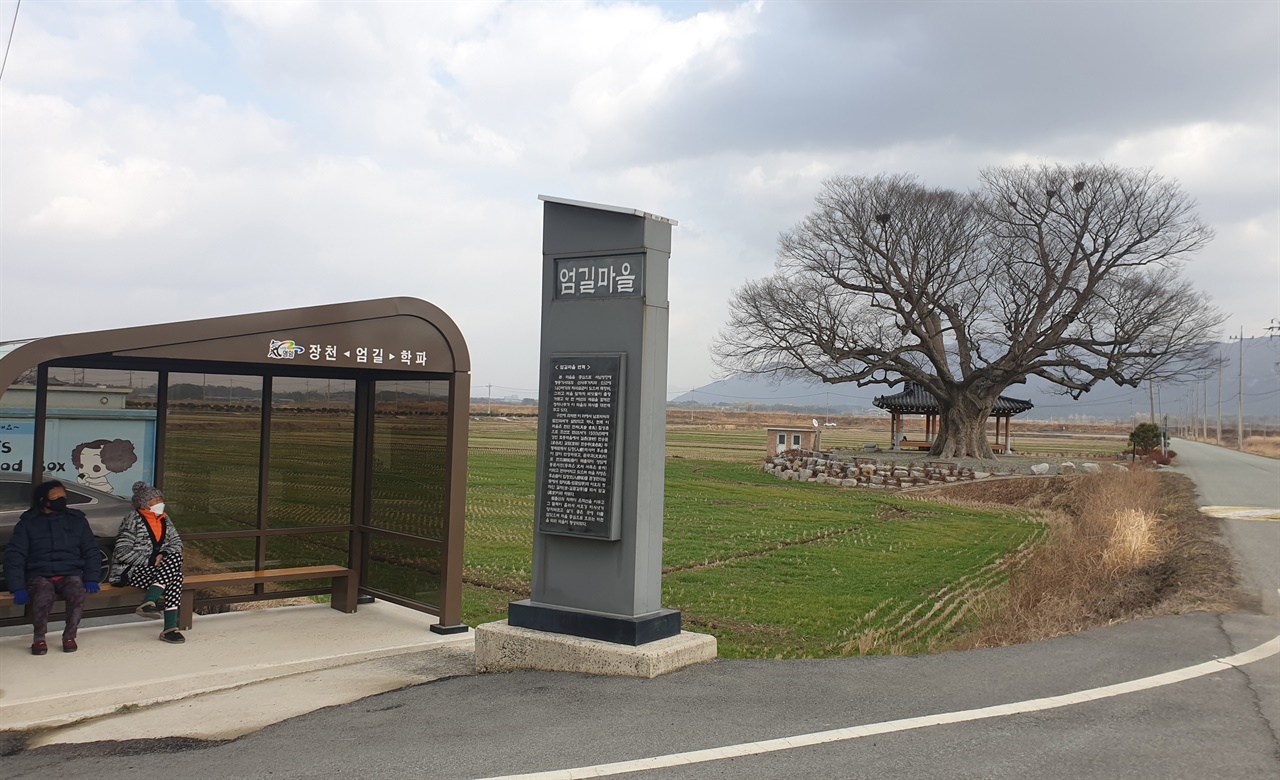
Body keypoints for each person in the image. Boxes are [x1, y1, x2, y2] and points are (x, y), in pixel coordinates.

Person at [4, 480, 103, 655]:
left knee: (77, 592)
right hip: (39, 574)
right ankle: (39, 638)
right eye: (56, 497)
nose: (61, 500)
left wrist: (92, 577)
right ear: (43, 500)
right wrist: (17, 587)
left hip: (69, 572)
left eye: (64, 497)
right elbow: (15, 556)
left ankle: (69, 636)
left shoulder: (76, 520)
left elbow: (91, 551)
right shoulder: (28, 523)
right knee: (43, 594)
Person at [108, 481, 186, 644]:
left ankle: (149, 601)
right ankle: (170, 628)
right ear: (144, 503)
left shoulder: (164, 519)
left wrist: (163, 553)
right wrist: (151, 560)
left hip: (158, 571)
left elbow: (177, 543)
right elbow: (122, 552)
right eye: (155, 500)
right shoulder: (133, 520)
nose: (160, 503)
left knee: (175, 565)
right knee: (176, 576)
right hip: (131, 571)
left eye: (160, 499)